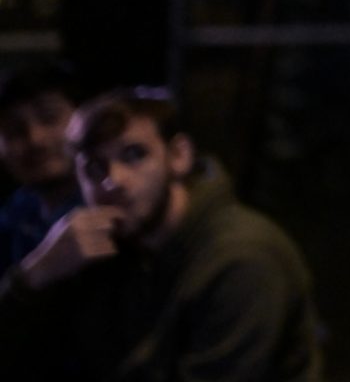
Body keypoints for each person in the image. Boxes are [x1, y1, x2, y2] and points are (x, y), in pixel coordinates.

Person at [0, 88, 322, 381]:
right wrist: (36, 273)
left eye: (134, 155)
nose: (113, 180)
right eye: (95, 168)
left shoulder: (241, 257)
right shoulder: (109, 247)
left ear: (178, 156)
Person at [1, 61, 83, 270]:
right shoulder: (16, 212)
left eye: (49, 118)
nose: (35, 139)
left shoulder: (117, 205)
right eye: (14, 129)